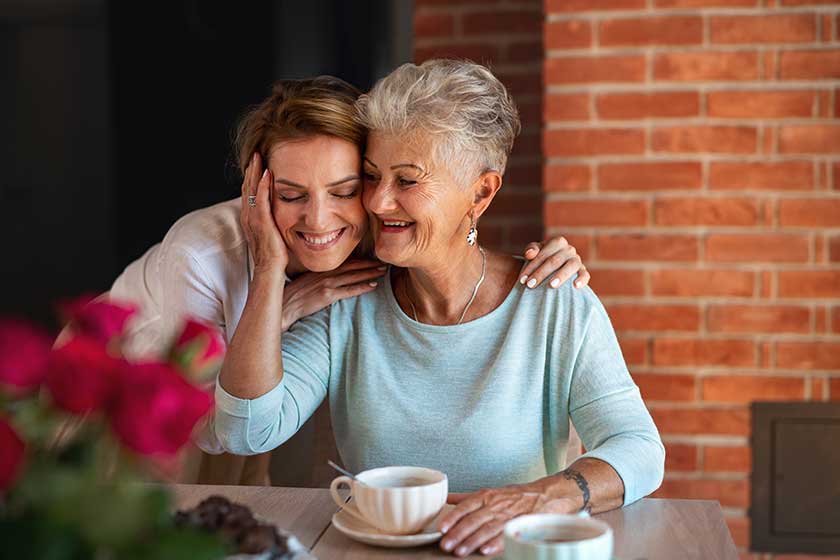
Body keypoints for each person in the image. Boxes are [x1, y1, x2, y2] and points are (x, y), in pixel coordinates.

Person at [214, 60, 664, 557]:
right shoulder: (344, 298)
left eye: (407, 181)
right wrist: (269, 267)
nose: (380, 202)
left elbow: (639, 450)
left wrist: (539, 497)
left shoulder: (554, 302)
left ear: (481, 192)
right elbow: (244, 430)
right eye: (370, 176)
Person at [109, 76, 590, 486]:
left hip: (248, 439)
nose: (318, 220)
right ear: (256, 189)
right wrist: (281, 293)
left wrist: (550, 261)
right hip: (123, 439)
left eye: (345, 190)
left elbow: (449, 240)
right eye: (291, 194)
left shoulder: (371, 237)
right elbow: (212, 427)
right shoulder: (200, 255)